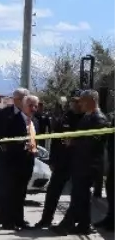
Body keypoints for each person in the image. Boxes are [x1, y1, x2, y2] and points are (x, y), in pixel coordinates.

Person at [54, 90, 108, 235]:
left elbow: (94, 142)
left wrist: (74, 142)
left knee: (78, 195)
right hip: (81, 163)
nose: (80, 104)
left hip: (89, 165)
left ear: (92, 101)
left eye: (83, 101)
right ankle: (84, 225)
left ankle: (66, 225)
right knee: (82, 196)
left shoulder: (99, 119)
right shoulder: (87, 117)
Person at [0, 88, 35, 230]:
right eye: (22, 98)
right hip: (8, 158)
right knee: (7, 189)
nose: (25, 101)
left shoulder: (30, 114)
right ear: (16, 99)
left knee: (20, 190)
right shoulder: (3, 113)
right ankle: (6, 220)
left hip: (25, 158)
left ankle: (19, 219)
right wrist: (0, 143)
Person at [35, 91, 81, 229]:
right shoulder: (65, 117)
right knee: (53, 191)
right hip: (62, 161)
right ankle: (46, 219)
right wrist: (52, 160)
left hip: (78, 162)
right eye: (73, 101)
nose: (74, 104)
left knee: (78, 193)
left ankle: (73, 222)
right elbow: (55, 139)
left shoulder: (85, 119)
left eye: (77, 101)